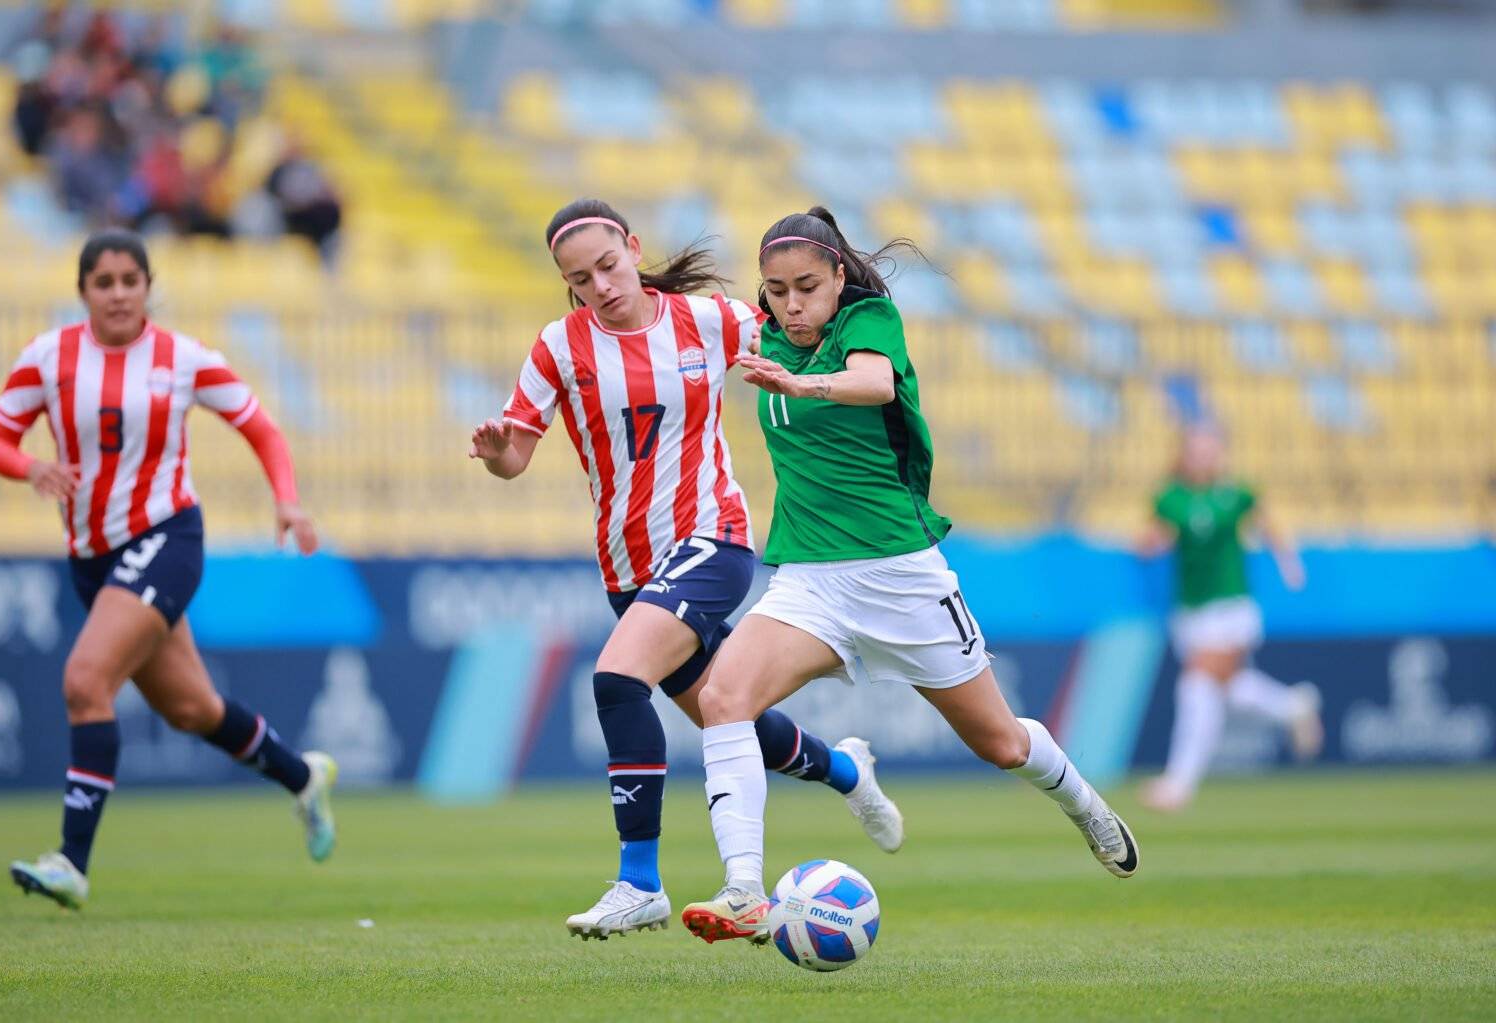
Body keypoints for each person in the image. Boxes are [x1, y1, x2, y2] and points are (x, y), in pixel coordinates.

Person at [680, 207, 1141, 945]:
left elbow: (873, 385)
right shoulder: (760, 332)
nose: (792, 305)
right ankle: (744, 892)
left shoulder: (869, 320)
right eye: (776, 291)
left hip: (900, 576)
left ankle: (1084, 805)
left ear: (838, 276)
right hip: (810, 578)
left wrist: (799, 385)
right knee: (722, 698)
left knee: (1001, 745)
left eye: (807, 287)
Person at [469, 198, 902, 941]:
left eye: (609, 266)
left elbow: (803, 329)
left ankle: (639, 881)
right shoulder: (558, 347)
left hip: (713, 538)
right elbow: (516, 458)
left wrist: (856, 360)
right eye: (580, 279)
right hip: (628, 567)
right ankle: (846, 771)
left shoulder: (708, 320)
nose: (601, 286)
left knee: (616, 679)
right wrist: (497, 451)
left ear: (633, 248)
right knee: (728, 715)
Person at [0, 229, 337, 910]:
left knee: (85, 680)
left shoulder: (183, 358)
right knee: (191, 708)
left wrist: (287, 499)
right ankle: (302, 776)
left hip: (166, 537)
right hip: (92, 559)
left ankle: (71, 861)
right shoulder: (47, 357)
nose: (118, 294)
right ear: (83, 291)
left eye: (130, 280)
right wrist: (30, 467)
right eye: (103, 282)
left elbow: (261, 428)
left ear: (148, 287)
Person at [1137, 424, 1323, 812]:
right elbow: (1150, 541)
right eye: (1196, 451)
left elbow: (1268, 525)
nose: (1203, 458)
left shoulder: (1236, 493)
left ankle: (1179, 784)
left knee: (1196, 684)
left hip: (1232, 605)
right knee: (1225, 689)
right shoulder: (1171, 498)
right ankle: (1292, 705)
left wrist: (1289, 563)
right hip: (1190, 611)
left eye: (1209, 451)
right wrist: (1151, 543)